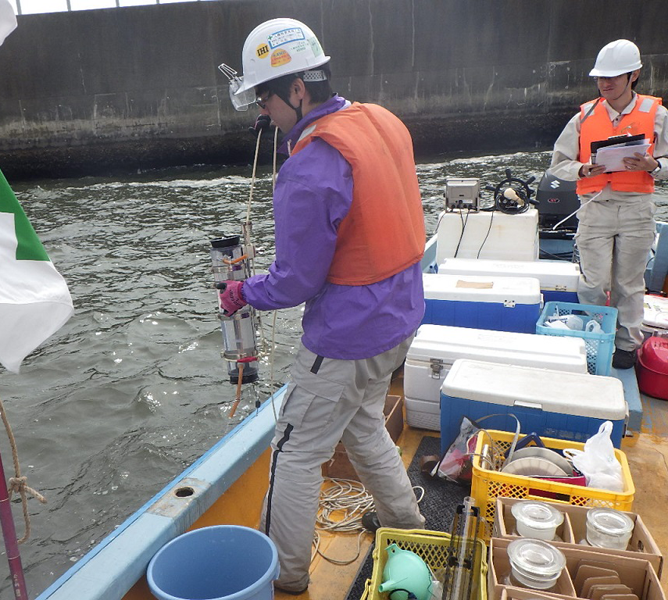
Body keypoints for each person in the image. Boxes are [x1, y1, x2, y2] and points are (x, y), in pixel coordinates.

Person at [217, 17, 426, 593]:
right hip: (399, 322)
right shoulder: (380, 120)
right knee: (362, 424)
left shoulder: (309, 166)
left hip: (346, 337)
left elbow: (295, 282)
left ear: (297, 90)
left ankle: (283, 578)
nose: (263, 112)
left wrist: (242, 291)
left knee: (294, 450)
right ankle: (408, 527)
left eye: (264, 97)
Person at [549, 39, 668, 370]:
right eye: (602, 77)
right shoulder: (584, 116)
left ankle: (627, 343)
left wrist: (653, 166)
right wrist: (582, 169)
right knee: (593, 281)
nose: (606, 83)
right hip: (595, 207)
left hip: (636, 208)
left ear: (634, 75)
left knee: (629, 283)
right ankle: (594, 336)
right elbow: (558, 162)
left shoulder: (657, 114)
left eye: (614, 77)